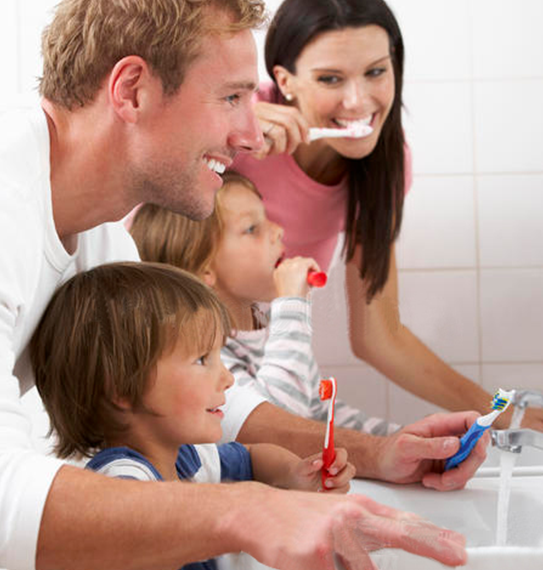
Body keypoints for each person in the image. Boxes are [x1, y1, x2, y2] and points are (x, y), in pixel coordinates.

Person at [0, 1, 477, 570]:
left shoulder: (93, 229)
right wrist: (245, 512)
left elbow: (193, 389)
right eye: (231, 98)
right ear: (133, 90)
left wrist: (378, 452)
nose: (249, 135)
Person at [231, 0, 543, 438]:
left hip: (266, 366)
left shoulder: (386, 165)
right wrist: (221, 120)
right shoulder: (237, 123)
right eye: (330, 78)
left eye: (376, 71)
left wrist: (501, 414)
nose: (358, 101)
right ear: (285, 81)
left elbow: (379, 335)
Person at [31, 261, 358, 570]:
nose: (227, 378)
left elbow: (251, 457)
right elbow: (120, 569)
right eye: (203, 360)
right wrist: (238, 524)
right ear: (124, 389)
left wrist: (295, 473)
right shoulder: (121, 477)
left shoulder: (187, 460)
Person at [131, 170, 399, 435]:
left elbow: (320, 412)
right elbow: (282, 425)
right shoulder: (206, 355)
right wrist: (291, 305)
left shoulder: (271, 330)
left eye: (266, 218)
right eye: (252, 228)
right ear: (204, 270)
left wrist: (397, 439)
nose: (277, 231)